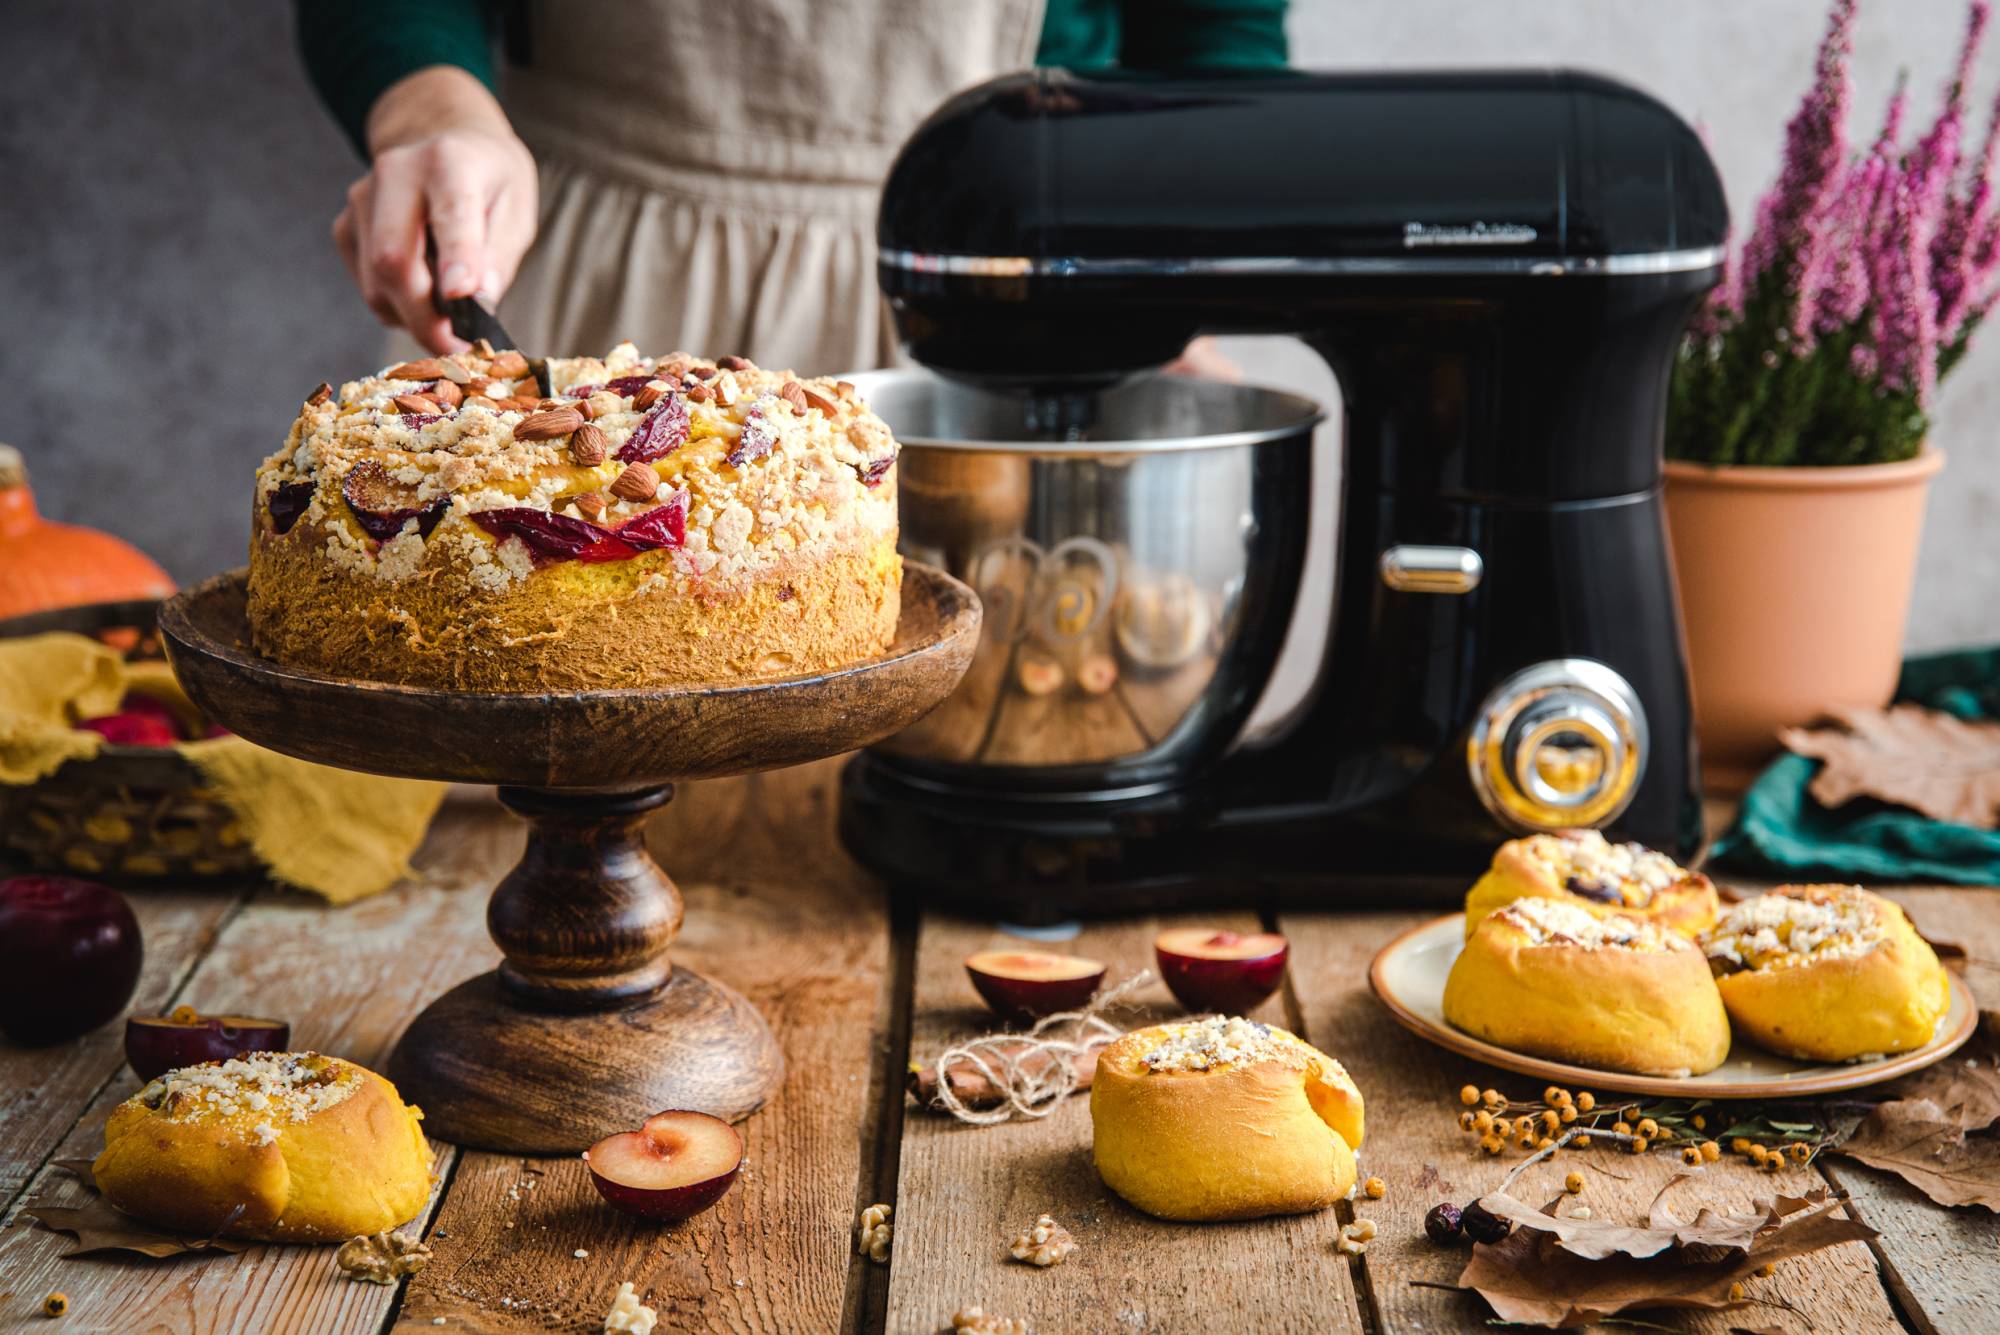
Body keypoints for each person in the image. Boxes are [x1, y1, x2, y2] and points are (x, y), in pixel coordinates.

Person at [296, 1, 1287, 375]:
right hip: (580, 275)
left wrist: (1174, 271)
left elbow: (1212, 38)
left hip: (1005, 309)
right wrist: (434, 116)